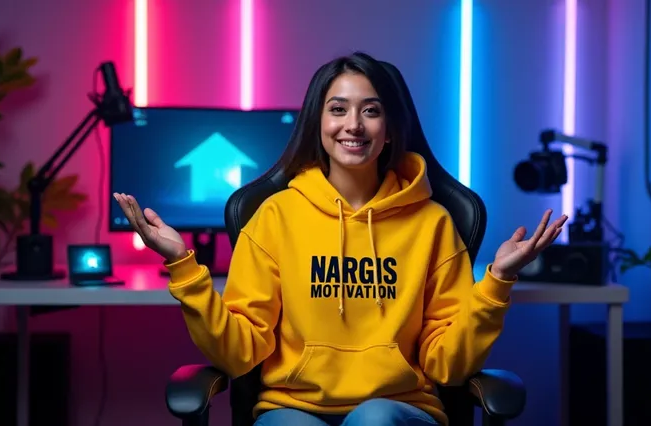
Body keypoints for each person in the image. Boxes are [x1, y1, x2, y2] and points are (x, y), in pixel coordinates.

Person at [114, 52, 566, 426]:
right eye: (338, 109)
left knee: (372, 421)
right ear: (319, 123)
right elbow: (239, 352)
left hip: (399, 409)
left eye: (371, 110)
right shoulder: (275, 216)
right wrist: (184, 269)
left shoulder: (433, 224)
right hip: (291, 407)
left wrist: (497, 282)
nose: (353, 124)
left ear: (389, 130)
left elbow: (448, 364)